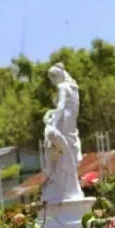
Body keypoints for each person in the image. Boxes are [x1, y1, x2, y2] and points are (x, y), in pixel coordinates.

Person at [41, 64, 84, 203]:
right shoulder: (74, 88)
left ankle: (56, 178)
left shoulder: (62, 87)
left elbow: (60, 106)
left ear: (60, 75)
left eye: (54, 77)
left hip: (64, 120)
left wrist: (53, 122)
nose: (52, 80)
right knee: (66, 149)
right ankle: (65, 184)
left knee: (52, 141)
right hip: (71, 121)